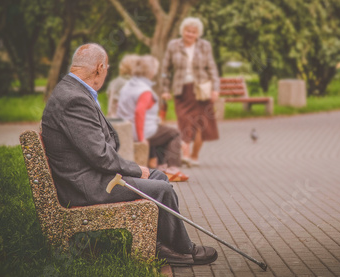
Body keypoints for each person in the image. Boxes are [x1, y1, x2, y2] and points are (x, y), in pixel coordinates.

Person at [41, 43, 217, 265]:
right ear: (99, 67)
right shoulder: (74, 99)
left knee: (158, 177)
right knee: (161, 189)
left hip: (86, 176)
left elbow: (99, 148)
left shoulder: (72, 90)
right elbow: (100, 156)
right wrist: (136, 169)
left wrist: (137, 170)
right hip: (84, 186)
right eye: (106, 69)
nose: (106, 72)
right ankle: (183, 250)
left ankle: (159, 245)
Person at [117, 55, 189, 182]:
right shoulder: (144, 90)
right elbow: (140, 112)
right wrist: (141, 138)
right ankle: (172, 168)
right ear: (151, 71)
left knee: (162, 132)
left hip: (126, 127)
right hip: (140, 130)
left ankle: (162, 166)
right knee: (174, 134)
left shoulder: (129, 85)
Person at [161, 17, 220, 167]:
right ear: (183, 31)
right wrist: (165, 89)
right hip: (182, 90)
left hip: (201, 91)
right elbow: (165, 70)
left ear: (198, 33)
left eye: (194, 32)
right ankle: (185, 154)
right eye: (188, 31)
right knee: (184, 122)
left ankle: (194, 155)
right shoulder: (174, 46)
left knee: (200, 125)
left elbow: (212, 68)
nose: (190, 34)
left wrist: (215, 89)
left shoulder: (205, 46)